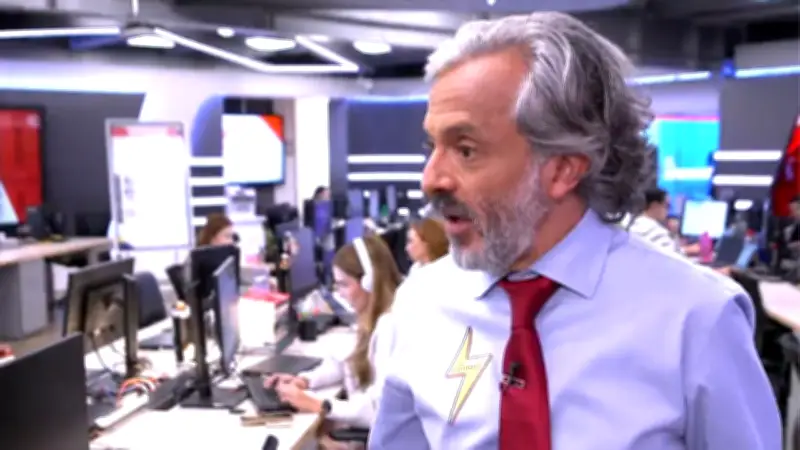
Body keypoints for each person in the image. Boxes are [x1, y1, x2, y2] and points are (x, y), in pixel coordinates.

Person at [369, 12, 780, 450]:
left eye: (465, 150)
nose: (431, 179)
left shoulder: (697, 318)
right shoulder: (422, 303)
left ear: (563, 170)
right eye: (432, 147)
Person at [265, 235, 402, 449]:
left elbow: (378, 409)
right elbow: (346, 362)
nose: (339, 294)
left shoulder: (390, 326)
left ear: (370, 282)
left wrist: (318, 404)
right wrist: (305, 380)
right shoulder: (371, 318)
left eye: (344, 285)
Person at [625, 188, 681, 254]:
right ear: (654, 206)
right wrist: (674, 235)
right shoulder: (657, 233)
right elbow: (674, 256)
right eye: (667, 206)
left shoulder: (631, 223)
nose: (668, 211)